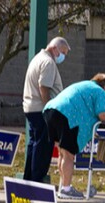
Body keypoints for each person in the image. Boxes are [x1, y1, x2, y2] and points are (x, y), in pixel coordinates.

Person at [43, 73, 105, 199]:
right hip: (68, 116)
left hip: (51, 110)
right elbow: (103, 114)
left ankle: (63, 186)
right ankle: (66, 189)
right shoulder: (99, 91)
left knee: (62, 153)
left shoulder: (84, 85)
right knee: (69, 155)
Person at [23, 37, 70, 184]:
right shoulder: (48, 62)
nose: (63, 57)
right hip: (40, 110)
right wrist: (48, 110)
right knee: (43, 147)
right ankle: (37, 180)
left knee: (34, 144)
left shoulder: (38, 58)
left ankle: (29, 179)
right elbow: (44, 87)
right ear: (55, 48)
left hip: (31, 107)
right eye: (63, 52)